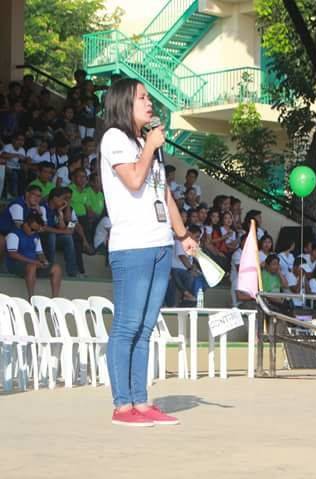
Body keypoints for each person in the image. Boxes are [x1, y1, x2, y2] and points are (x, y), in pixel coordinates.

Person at [100, 78, 197, 427]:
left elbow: (163, 193)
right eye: (142, 97)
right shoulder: (115, 139)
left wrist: (182, 234)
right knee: (127, 325)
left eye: (149, 97)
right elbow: (133, 181)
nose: (149, 102)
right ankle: (122, 405)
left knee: (145, 327)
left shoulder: (146, 144)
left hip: (158, 244)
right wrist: (150, 148)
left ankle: (141, 401)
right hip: (132, 246)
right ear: (124, 102)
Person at [5, 211, 62, 298]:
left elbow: (40, 253)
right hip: (16, 265)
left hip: (33, 264)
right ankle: (31, 298)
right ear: (25, 224)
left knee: (56, 268)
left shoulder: (35, 236)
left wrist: (44, 261)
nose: (33, 232)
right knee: (32, 266)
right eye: (32, 229)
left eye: (36, 230)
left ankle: (55, 299)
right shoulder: (14, 234)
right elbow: (13, 254)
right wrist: (34, 262)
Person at [41, 188, 78, 277]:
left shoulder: (70, 209)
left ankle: (73, 272)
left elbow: (71, 224)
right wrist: (65, 230)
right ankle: (50, 267)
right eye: (65, 198)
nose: (66, 201)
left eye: (69, 198)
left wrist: (66, 208)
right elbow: (64, 230)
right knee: (52, 235)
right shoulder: (48, 208)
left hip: (62, 235)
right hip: (49, 237)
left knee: (73, 241)